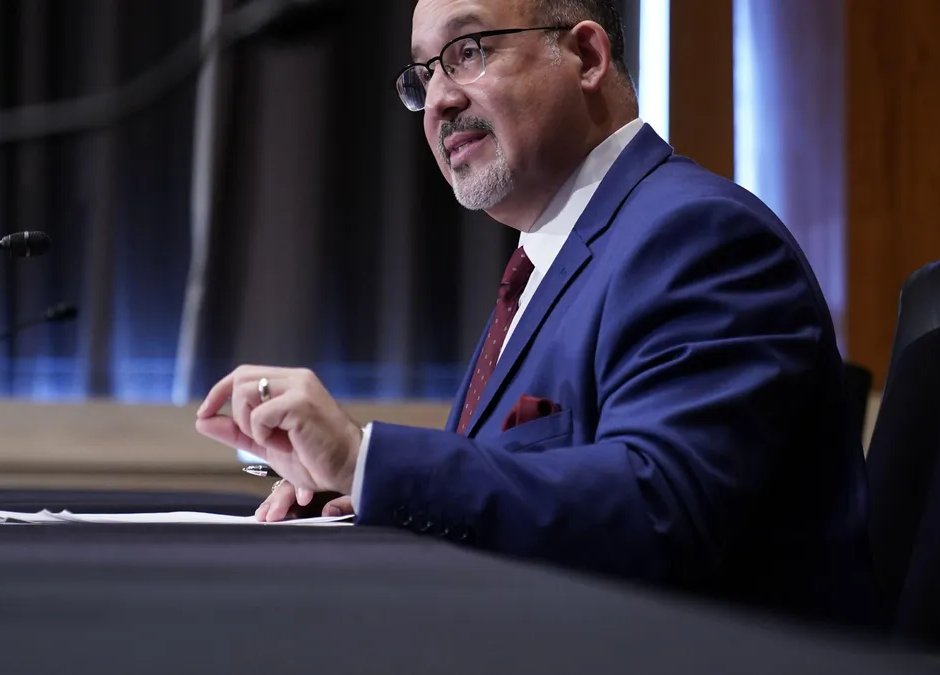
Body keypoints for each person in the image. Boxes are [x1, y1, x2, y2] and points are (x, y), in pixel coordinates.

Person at [196, 0, 878, 627]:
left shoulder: (697, 236)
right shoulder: (546, 268)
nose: (439, 99)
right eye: (422, 75)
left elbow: (661, 509)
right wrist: (366, 496)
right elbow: (527, 500)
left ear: (586, 56)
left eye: (468, 51)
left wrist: (366, 458)